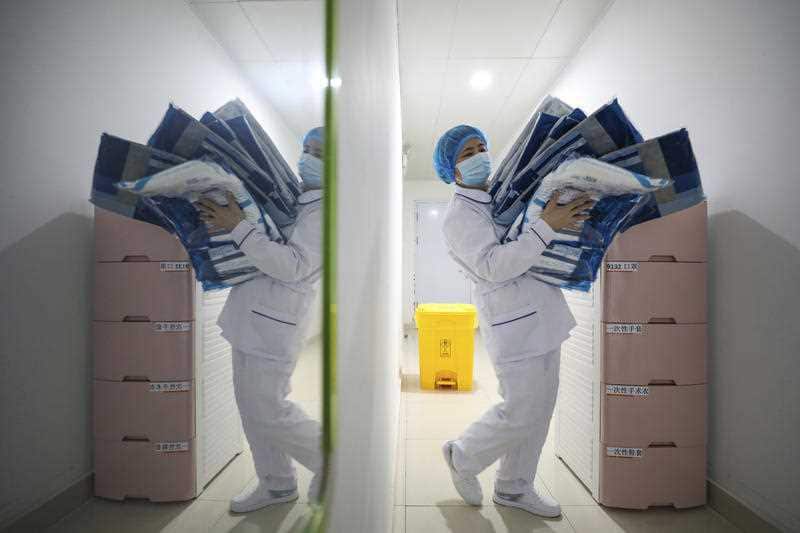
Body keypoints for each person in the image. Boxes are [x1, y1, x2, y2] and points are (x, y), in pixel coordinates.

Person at [433, 124, 593, 518]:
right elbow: (493, 266)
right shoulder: (458, 215)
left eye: (482, 146)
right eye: (467, 153)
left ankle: (514, 487)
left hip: (542, 314)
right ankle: (464, 455)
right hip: (513, 323)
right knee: (521, 408)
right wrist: (547, 226)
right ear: (452, 171)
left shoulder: (497, 198)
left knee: (539, 411)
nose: (479, 155)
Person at [196, 127, 325, 513]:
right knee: (252, 410)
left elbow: (293, 266)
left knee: (269, 408)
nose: (309, 158)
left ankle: (331, 462)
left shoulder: (327, 210)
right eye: (306, 149)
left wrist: (237, 225)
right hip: (251, 317)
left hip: (274, 325)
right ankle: (277, 484)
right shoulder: (301, 200)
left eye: (320, 153)